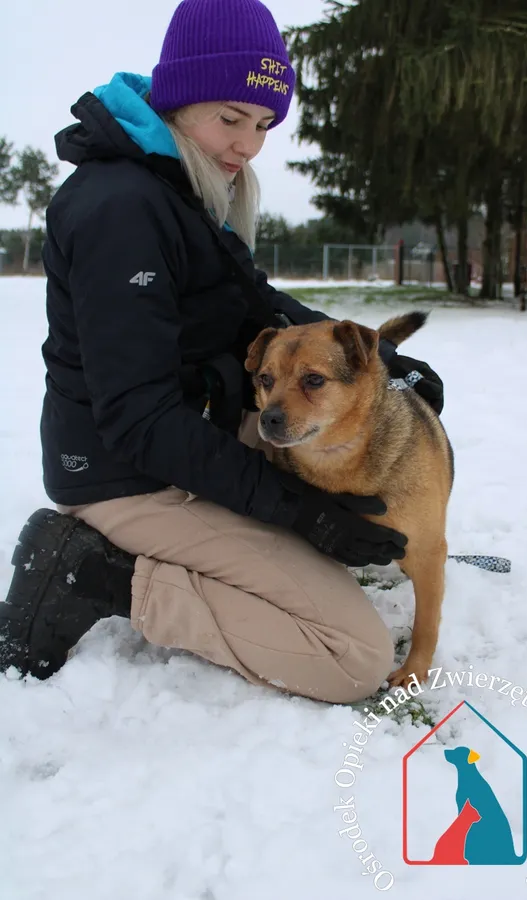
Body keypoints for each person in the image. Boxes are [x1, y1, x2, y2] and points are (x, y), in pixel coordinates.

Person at [0, 0, 444, 704]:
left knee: (345, 446)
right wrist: (297, 511)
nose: (247, 144)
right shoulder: (120, 209)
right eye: (231, 118)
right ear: (178, 100)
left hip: (196, 431)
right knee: (352, 655)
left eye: (264, 124)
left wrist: (382, 361)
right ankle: (99, 570)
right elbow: (138, 419)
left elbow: (256, 306)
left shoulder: (182, 187)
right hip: (125, 475)